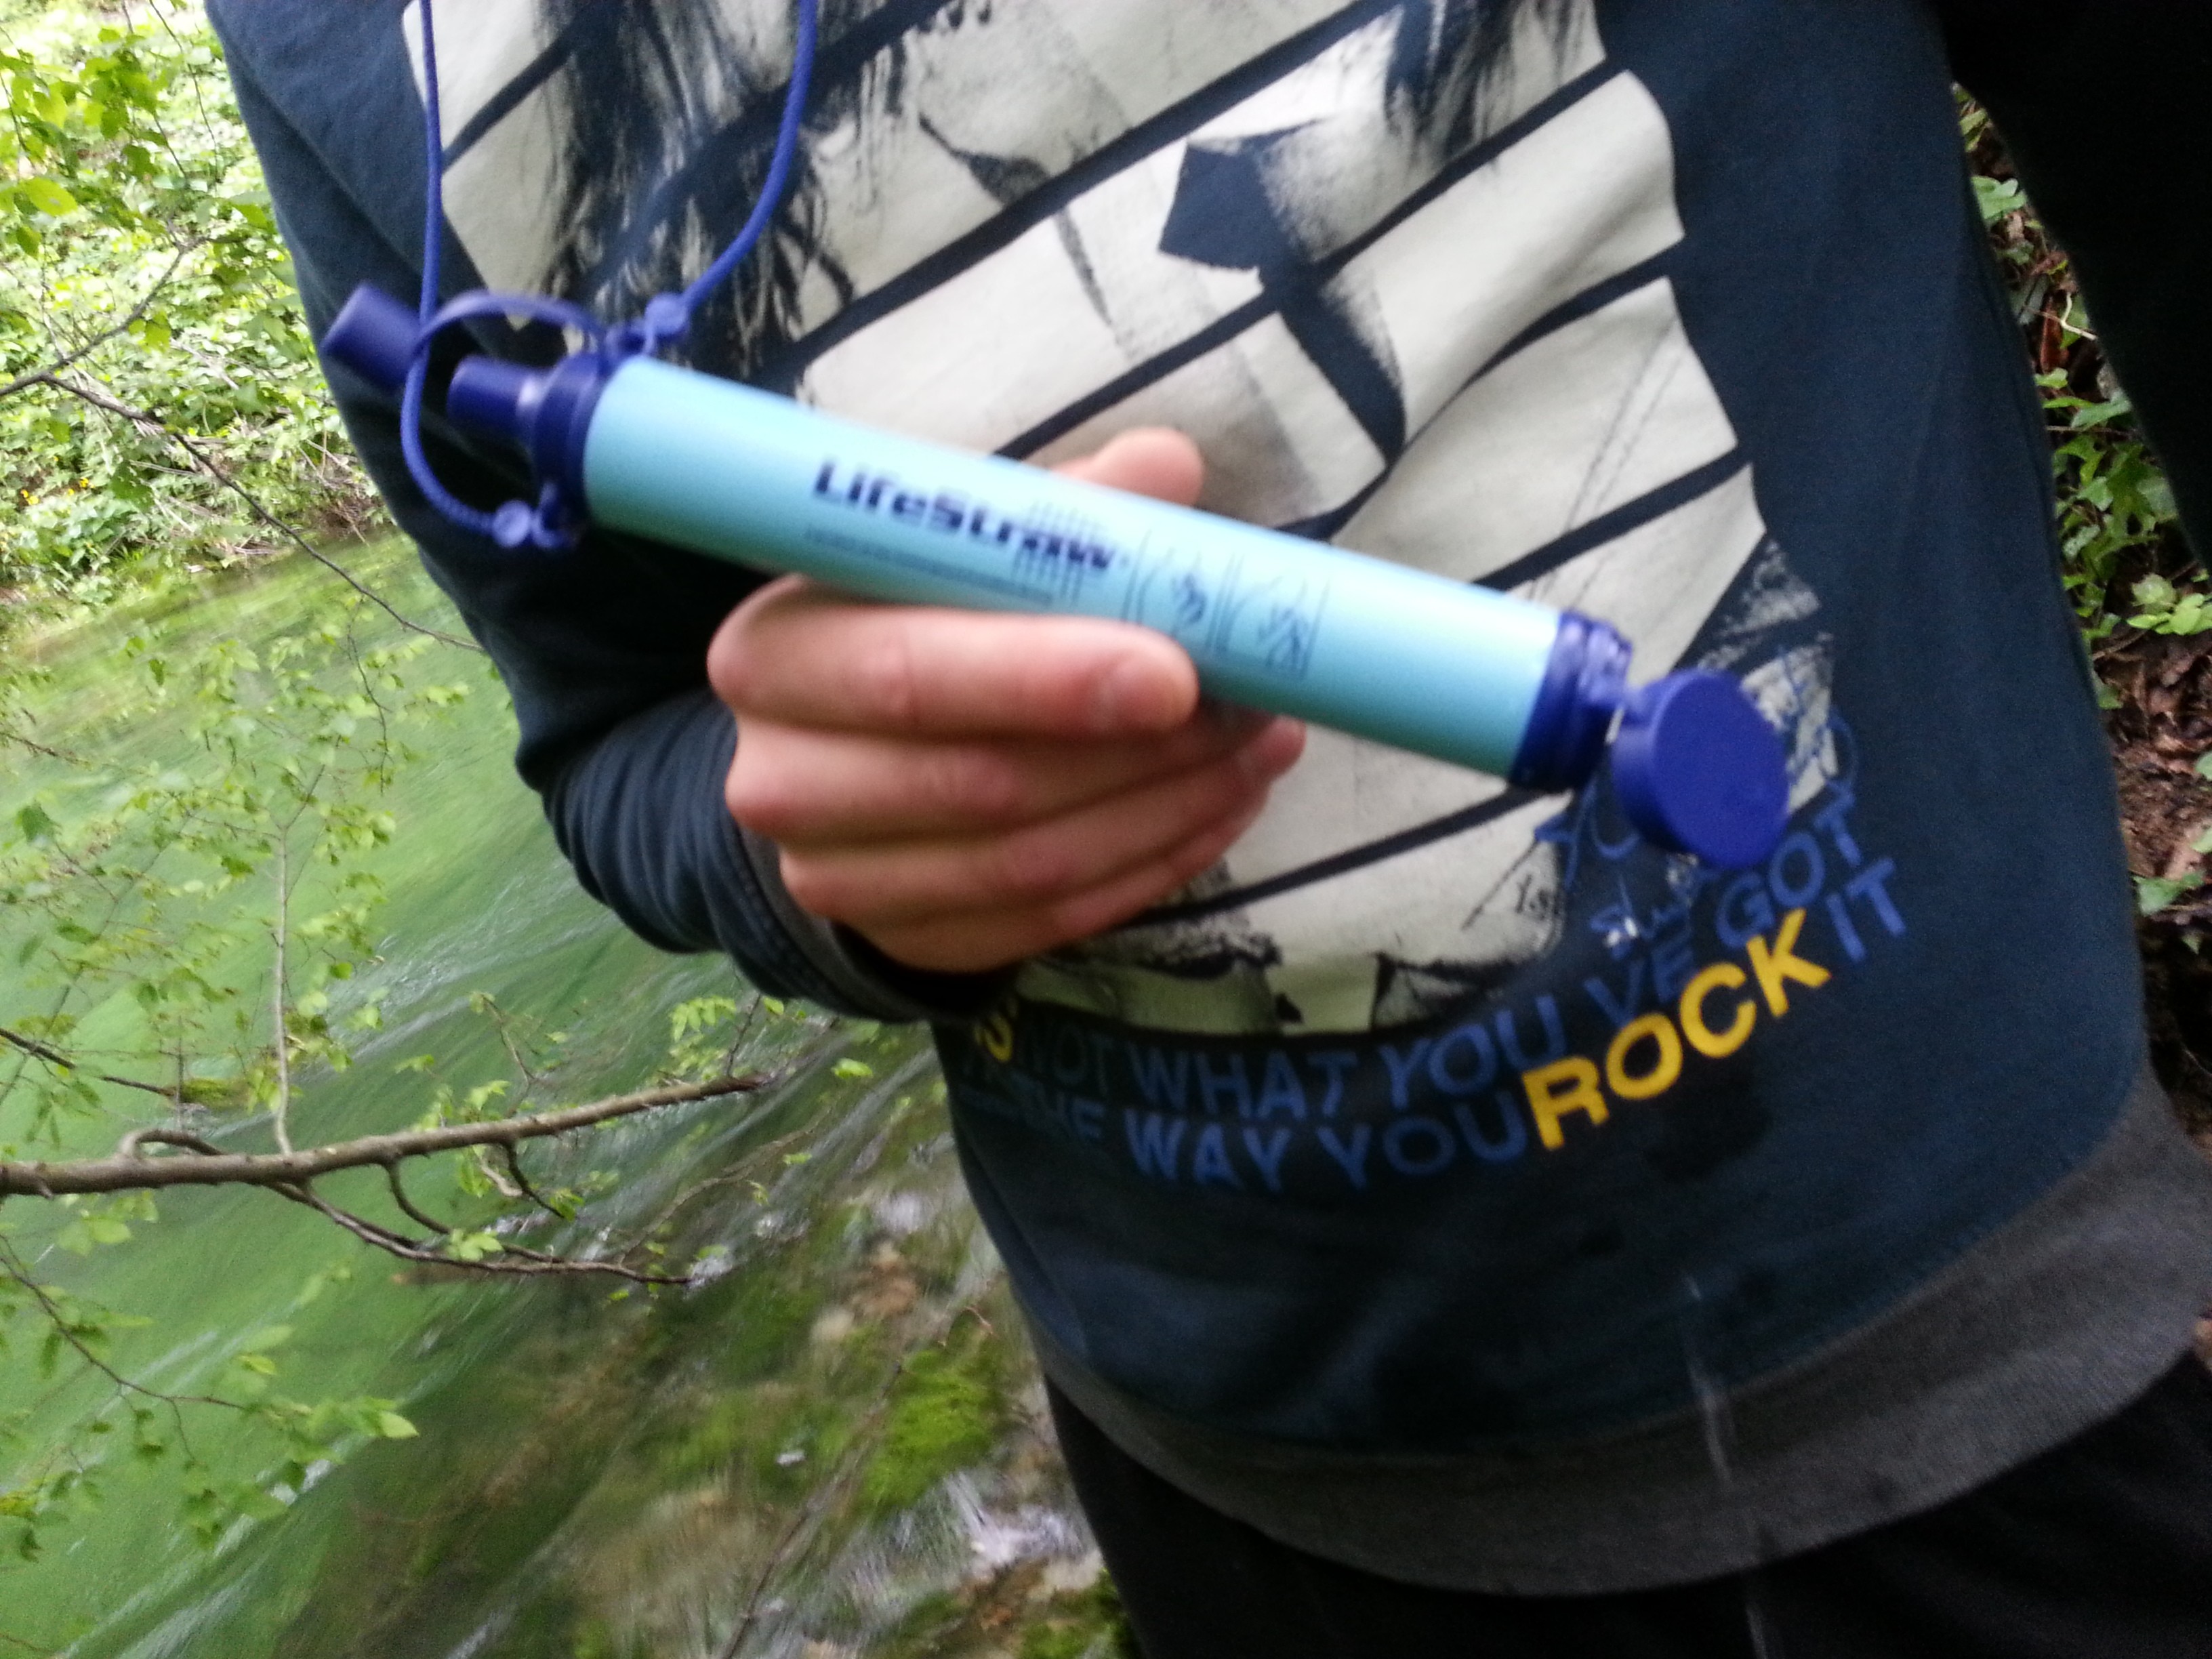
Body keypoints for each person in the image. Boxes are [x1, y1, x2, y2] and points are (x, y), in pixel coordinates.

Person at [213, 1, 2212, 1651]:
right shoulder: (314, 36)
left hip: (2001, 1361)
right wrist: (805, 857)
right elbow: (612, 738)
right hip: (1221, 1486)